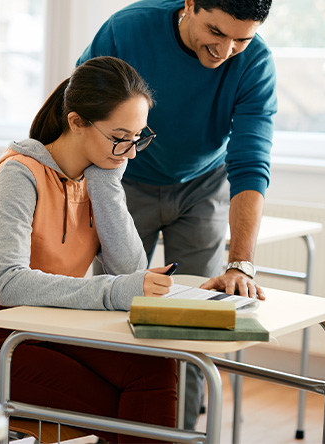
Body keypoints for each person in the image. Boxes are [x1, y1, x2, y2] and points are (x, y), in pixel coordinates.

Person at [0, 56, 178, 443]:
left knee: (155, 370)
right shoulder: (19, 174)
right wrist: (115, 291)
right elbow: (9, 284)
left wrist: (107, 183)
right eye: (120, 137)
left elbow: (130, 270)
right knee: (117, 406)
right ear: (76, 122)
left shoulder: (97, 177)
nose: (132, 151)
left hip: (50, 328)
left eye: (138, 137)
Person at [78, 0, 276, 428]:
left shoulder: (255, 62)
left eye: (241, 38)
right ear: (190, 4)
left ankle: (179, 433)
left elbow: (251, 162)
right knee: (115, 303)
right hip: (125, 177)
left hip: (203, 185)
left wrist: (240, 263)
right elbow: (78, 109)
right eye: (216, 32)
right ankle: (112, 431)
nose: (225, 51)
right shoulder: (126, 31)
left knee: (195, 320)